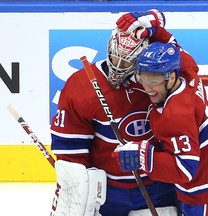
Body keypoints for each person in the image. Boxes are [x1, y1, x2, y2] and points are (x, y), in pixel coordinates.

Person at [49, 9, 199, 216]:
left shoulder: (158, 81)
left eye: (128, 61)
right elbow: (70, 149)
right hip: (108, 192)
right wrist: (76, 188)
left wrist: (158, 27)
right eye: (115, 57)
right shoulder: (81, 86)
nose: (118, 67)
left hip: (159, 185)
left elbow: (189, 67)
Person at [112, 42, 208, 216]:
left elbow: (185, 169)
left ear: (171, 77)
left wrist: (143, 156)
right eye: (142, 78)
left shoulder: (176, 115)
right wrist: (152, 26)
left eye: (153, 81)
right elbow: (175, 47)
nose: (146, 87)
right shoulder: (188, 74)